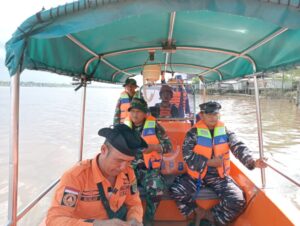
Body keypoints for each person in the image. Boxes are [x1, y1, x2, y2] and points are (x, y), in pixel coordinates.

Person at [169, 101, 267, 226]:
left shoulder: (225, 131)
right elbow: (187, 156)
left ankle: (211, 218)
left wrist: (252, 161)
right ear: (202, 115)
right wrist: (209, 162)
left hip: (219, 177)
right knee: (175, 190)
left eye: (215, 114)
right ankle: (198, 211)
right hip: (197, 175)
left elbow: (238, 147)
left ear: (218, 115)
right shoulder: (193, 133)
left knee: (238, 200)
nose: (212, 117)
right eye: (208, 114)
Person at [46, 124, 148, 226]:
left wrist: (134, 219)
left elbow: (134, 203)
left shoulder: (128, 173)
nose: (123, 167)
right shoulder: (75, 177)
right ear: (104, 150)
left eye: (129, 162)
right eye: (119, 160)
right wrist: (97, 224)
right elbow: (54, 220)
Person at [123, 98, 173, 223]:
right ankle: (124, 220)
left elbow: (169, 147)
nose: (134, 114)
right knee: (116, 188)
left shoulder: (155, 126)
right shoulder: (123, 128)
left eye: (138, 111)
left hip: (149, 170)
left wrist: (155, 147)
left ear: (145, 113)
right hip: (126, 169)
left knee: (157, 189)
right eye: (132, 111)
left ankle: (148, 220)